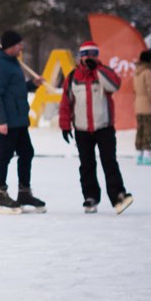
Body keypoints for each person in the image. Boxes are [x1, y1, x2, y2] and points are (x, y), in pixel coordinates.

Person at [59, 41, 133, 214]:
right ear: (81, 56)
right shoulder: (72, 77)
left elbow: (114, 85)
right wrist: (65, 126)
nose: (91, 57)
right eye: (87, 54)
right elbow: (65, 103)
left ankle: (118, 195)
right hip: (82, 129)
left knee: (109, 162)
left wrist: (98, 69)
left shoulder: (104, 73)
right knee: (87, 164)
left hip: (104, 127)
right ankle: (90, 196)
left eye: (94, 53)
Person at [0, 30, 46, 213]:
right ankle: (0, 194)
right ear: (10, 46)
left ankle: (24, 192)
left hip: (19, 120)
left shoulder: (13, 62)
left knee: (27, 152)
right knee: (4, 156)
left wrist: (32, 85)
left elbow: (16, 89)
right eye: (18, 44)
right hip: (8, 122)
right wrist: (1, 120)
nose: (21, 47)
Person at [133, 50, 151, 165]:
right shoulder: (148, 72)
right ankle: (147, 154)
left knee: (140, 129)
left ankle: (139, 154)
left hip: (138, 105)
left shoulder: (137, 72)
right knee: (149, 130)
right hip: (148, 106)